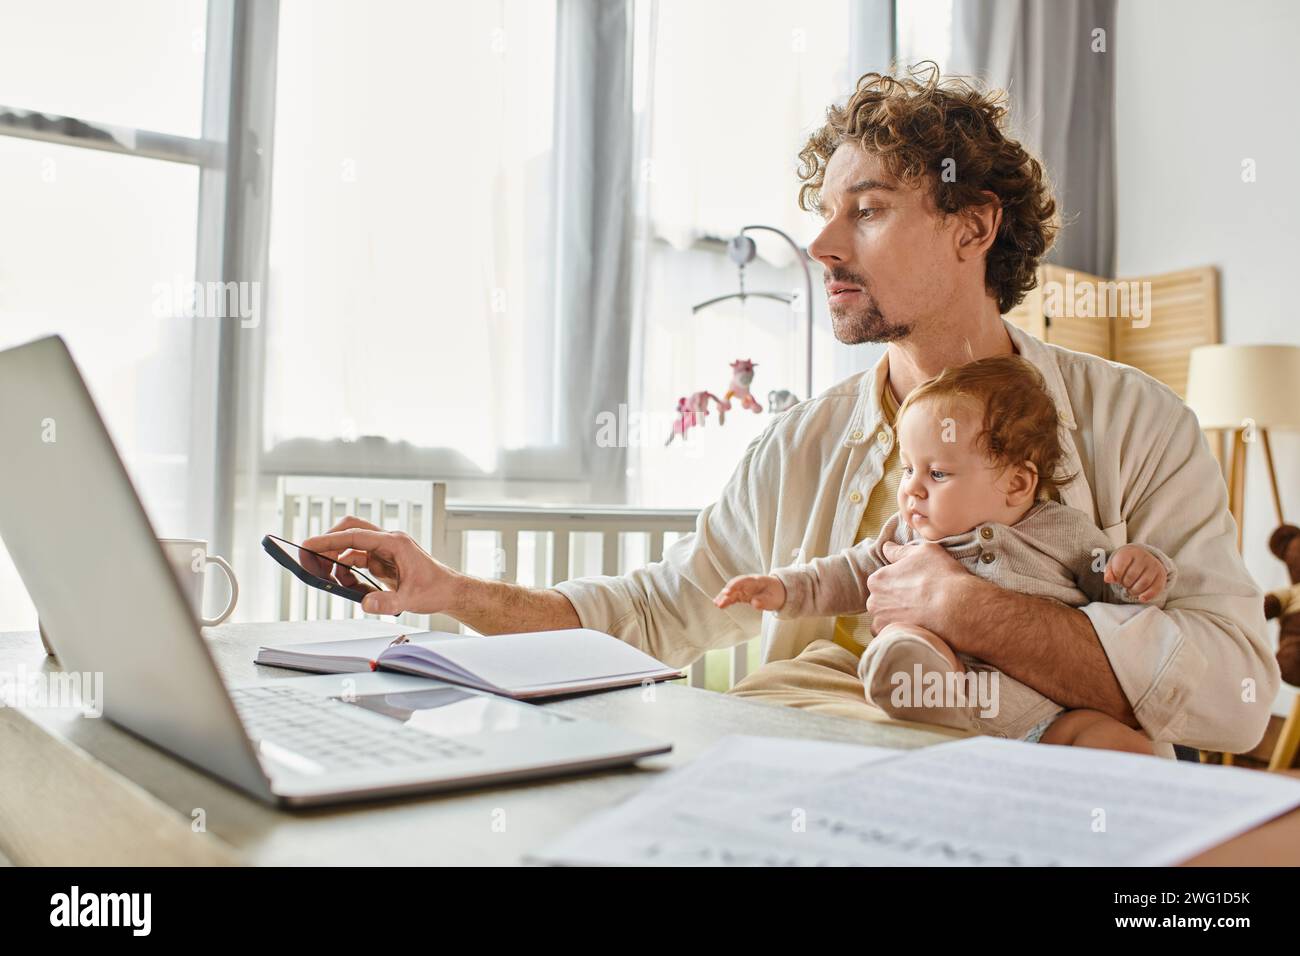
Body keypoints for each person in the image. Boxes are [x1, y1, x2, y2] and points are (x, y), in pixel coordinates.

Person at [302, 64, 1279, 760]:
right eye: (821, 208)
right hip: (791, 779)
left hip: (1028, 779)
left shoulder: (1137, 423)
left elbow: (1237, 696)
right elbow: (655, 613)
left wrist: (958, 601)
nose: (818, 241)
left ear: (972, 226)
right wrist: (452, 593)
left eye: (867, 207)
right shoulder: (799, 442)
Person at [715, 354, 1174, 754]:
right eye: (909, 467)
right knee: (912, 642)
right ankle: (922, 693)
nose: (911, 487)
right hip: (951, 694)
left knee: (1121, 744)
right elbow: (843, 576)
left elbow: (1112, 590)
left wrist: (1138, 571)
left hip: (1046, 717)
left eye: (936, 473)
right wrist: (780, 588)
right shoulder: (907, 539)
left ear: (1017, 484)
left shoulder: (1061, 529)